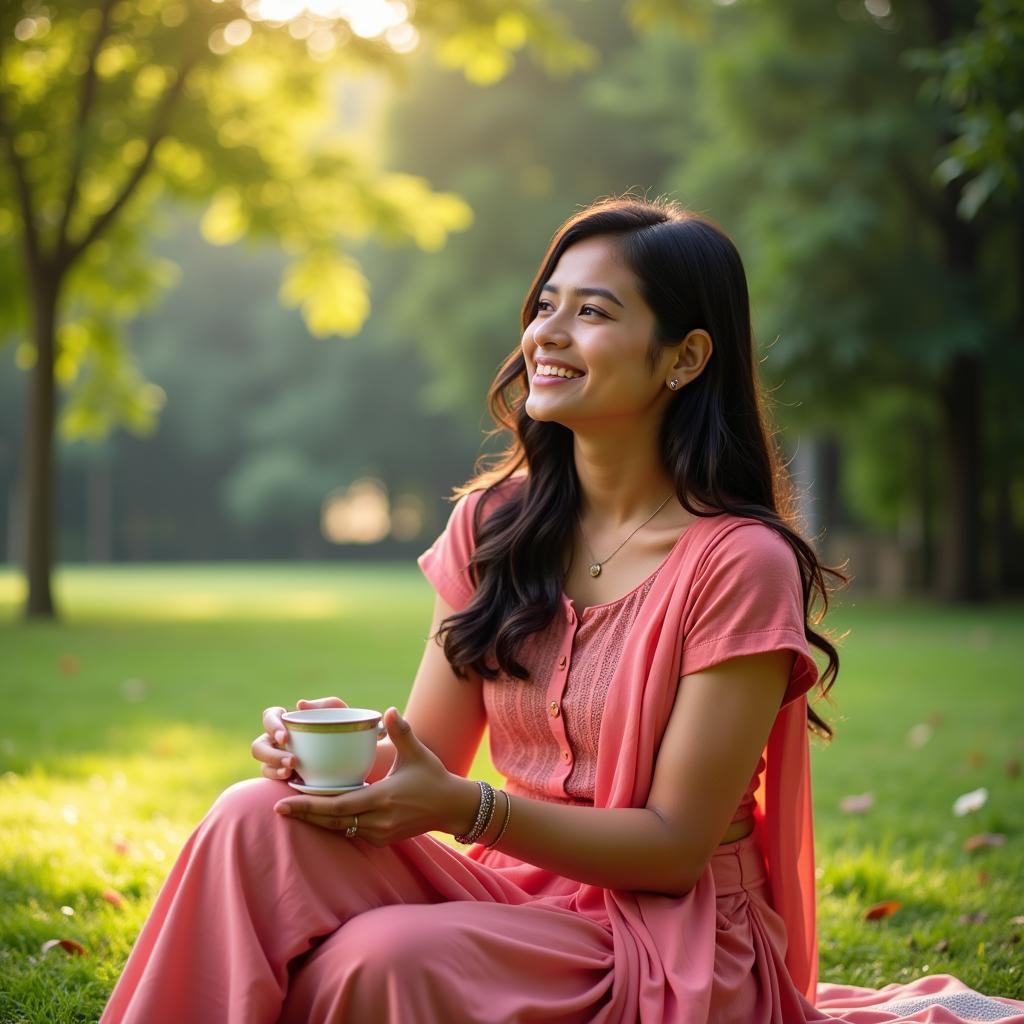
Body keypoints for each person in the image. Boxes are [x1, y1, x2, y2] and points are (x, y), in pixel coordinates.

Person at [101, 196, 1024, 1023]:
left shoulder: (739, 564)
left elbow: (670, 849)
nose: (549, 332)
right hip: (508, 895)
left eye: (594, 311)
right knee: (250, 815)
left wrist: (469, 810)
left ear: (686, 357)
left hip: (666, 935)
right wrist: (326, 762)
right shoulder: (494, 526)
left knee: (379, 962)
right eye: (546, 304)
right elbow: (424, 754)